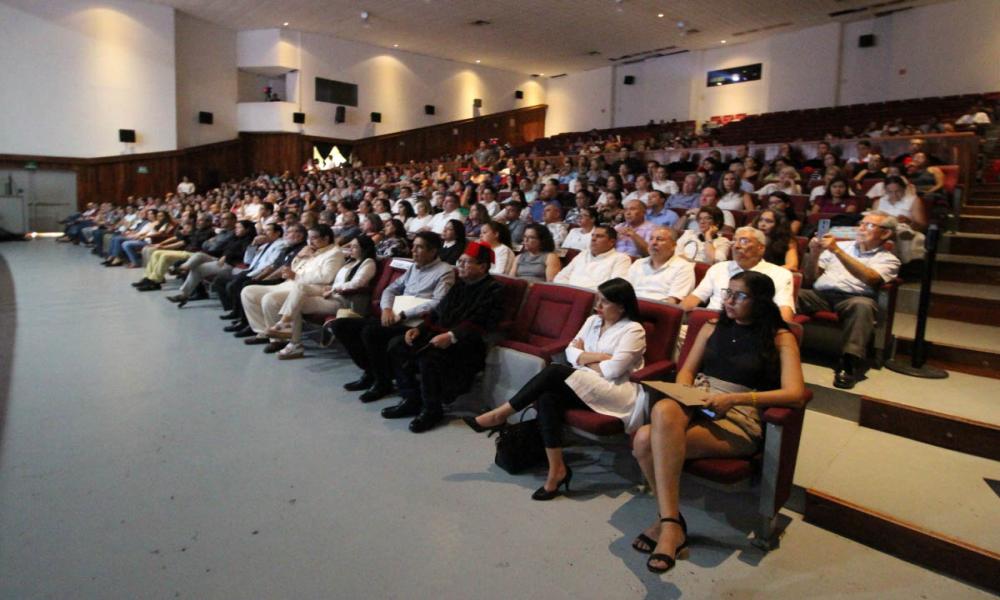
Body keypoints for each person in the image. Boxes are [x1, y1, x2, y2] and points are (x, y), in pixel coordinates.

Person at [631, 271, 806, 573]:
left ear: (761, 301)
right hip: (699, 400)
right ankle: (672, 522)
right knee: (660, 414)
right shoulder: (711, 327)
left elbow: (795, 394)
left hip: (740, 414)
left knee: (646, 441)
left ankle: (666, 522)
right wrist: (687, 394)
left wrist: (735, 400)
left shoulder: (781, 337)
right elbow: (687, 372)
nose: (728, 300)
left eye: (740, 296)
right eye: (728, 292)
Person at [467, 278, 648, 500]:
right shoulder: (593, 321)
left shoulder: (633, 330)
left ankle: (500, 414)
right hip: (586, 380)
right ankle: (557, 470)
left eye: (605, 302)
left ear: (622, 306)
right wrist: (596, 358)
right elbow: (572, 353)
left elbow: (613, 371)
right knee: (547, 397)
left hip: (616, 391)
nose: (597, 306)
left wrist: (584, 358)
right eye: (597, 299)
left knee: (554, 371)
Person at [381, 242, 506, 433]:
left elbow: (481, 322)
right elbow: (438, 312)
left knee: (428, 358)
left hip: (467, 344)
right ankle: (412, 398)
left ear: (482, 266)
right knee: (397, 344)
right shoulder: (460, 284)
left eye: (466, 263)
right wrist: (420, 329)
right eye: (460, 262)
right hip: (440, 335)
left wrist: (451, 335)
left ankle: (432, 409)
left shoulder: (494, 289)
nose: (460, 266)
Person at [332, 231, 455, 402]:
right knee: (340, 325)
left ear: (433, 251)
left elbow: (438, 302)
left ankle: (382, 382)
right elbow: (391, 289)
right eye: (413, 247)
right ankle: (371, 372)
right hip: (394, 315)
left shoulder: (445, 271)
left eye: (419, 248)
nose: (413, 251)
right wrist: (387, 309)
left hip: (416, 322)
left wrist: (404, 314)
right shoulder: (413, 267)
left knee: (371, 332)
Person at [798, 211, 900, 389]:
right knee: (789, 294)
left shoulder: (888, 259)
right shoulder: (842, 246)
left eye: (869, 225)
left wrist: (836, 250)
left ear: (886, 233)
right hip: (821, 295)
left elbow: (872, 279)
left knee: (863, 306)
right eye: (861, 224)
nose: (861, 228)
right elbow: (809, 278)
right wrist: (814, 253)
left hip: (854, 298)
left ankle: (849, 362)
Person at [239, 224, 346, 353]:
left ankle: (279, 339)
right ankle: (263, 331)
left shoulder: (334, 253)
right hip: (291, 284)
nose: (310, 241)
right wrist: (299, 257)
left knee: (270, 299)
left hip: (312, 289)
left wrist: (296, 275)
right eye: (309, 238)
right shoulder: (312, 250)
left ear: (326, 238)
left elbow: (326, 277)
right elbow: (296, 268)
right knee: (249, 292)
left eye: (314, 238)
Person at [267, 234, 377, 359]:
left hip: (344, 302)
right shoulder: (349, 262)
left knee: (296, 303)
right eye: (350, 246)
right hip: (332, 295)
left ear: (364, 248)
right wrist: (330, 287)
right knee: (299, 290)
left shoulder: (368, 263)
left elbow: (357, 283)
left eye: (355, 247)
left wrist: (333, 288)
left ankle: (291, 337)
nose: (350, 249)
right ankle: (288, 331)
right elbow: (339, 282)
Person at [681, 227, 796, 322]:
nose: (736, 246)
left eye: (744, 241)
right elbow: (695, 298)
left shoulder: (780, 274)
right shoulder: (719, 268)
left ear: (760, 248)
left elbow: (784, 314)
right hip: (709, 324)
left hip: (750, 330)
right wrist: (674, 318)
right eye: (734, 241)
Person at [167, 220, 257, 307]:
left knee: (198, 269)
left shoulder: (250, 241)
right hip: (221, 260)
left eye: (239, 228)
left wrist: (227, 256)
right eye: (236, 227)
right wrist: (212, 252)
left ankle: (184, 294)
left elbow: (244, 256)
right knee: (199, 255)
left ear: (247, 229)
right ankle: (183, 268)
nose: (236, 229)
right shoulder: (234, 238)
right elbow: (222, 250)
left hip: (231, 265)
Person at [626, 227, 695, 303]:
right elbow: (624, 291)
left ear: (673, 245)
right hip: (630, 308)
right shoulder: (638, 263)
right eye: (651, 239)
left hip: (659, 311)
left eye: (660, 239)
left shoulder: (683, 267)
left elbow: (673, 302)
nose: (653, 243)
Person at [554, 225, 632, 289]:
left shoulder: (621, 258)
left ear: (612, 242)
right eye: (593, 235)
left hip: (594, 301)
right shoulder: (583, 254)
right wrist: (570, 292)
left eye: (599, 236)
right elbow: (561, 277)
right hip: (570, 297)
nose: (593, 239)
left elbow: (615, 288)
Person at [871, 175, 926, 265]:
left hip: (907, 229)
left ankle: (891, 264)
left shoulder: (913, 200)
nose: (894, 195)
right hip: (882, 230)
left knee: (896, 234)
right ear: (885, 191)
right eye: (890, 192)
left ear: (904, 189)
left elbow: (922, 225)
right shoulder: (879, 202)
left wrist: (909, 221)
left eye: (898, 191)